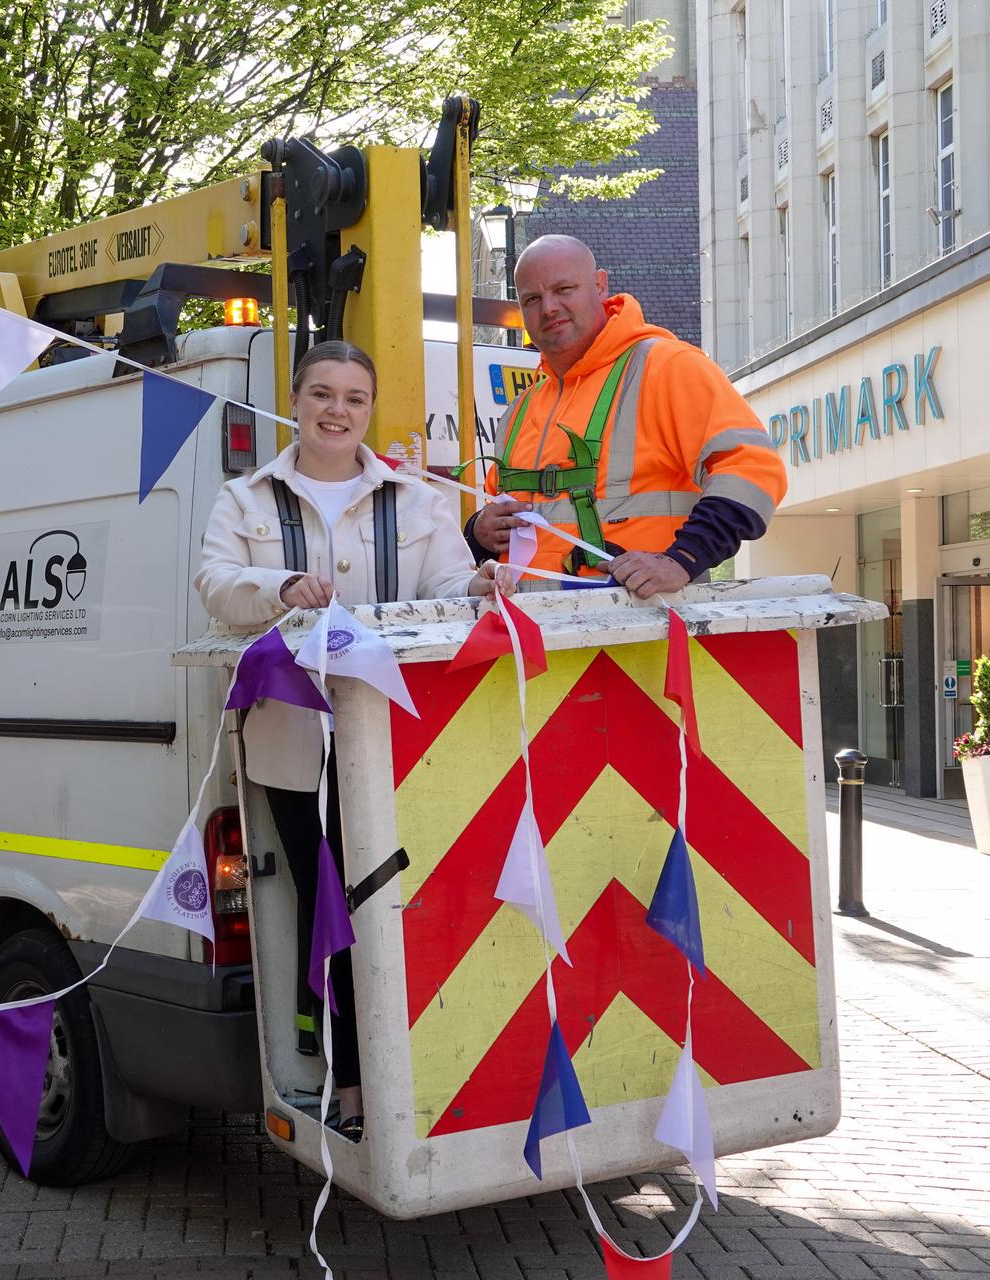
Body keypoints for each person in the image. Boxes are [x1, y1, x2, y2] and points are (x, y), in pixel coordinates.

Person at [195, 340, 515, 1143]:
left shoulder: (414, 498)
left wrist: (479, 585)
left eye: (354, 398)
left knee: (400, 911)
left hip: (400, 746)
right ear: (296, 401)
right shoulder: (245, 499)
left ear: (370, 410)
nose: (337, 411)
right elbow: (216, 586)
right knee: (328, 910)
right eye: (322, 394)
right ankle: (351, 1077)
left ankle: (415, 1066)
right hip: (294, 752)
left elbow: (446, 586)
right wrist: (280, 589)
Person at [466, 235, 787, 598]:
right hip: (531, 640)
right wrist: (479, 533)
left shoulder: (667, 368)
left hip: (643, 631)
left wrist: (682, 559)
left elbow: (753, 471)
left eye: (564, 289)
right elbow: (511, 519)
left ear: (600, 285)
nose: (549, 307)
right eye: (532, 299)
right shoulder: (520, 410)